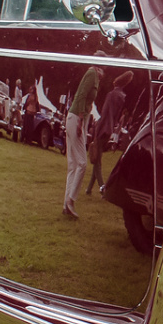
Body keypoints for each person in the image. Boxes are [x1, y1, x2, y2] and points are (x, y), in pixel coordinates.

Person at [62, 68, 103, 220]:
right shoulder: (92, 73)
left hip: (76, 119)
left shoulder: (95, 77)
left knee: (73, 165)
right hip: (76, 119)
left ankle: (66, 205)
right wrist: (80, 120)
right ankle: (71, 200)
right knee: (82, 163)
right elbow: (81, 95)